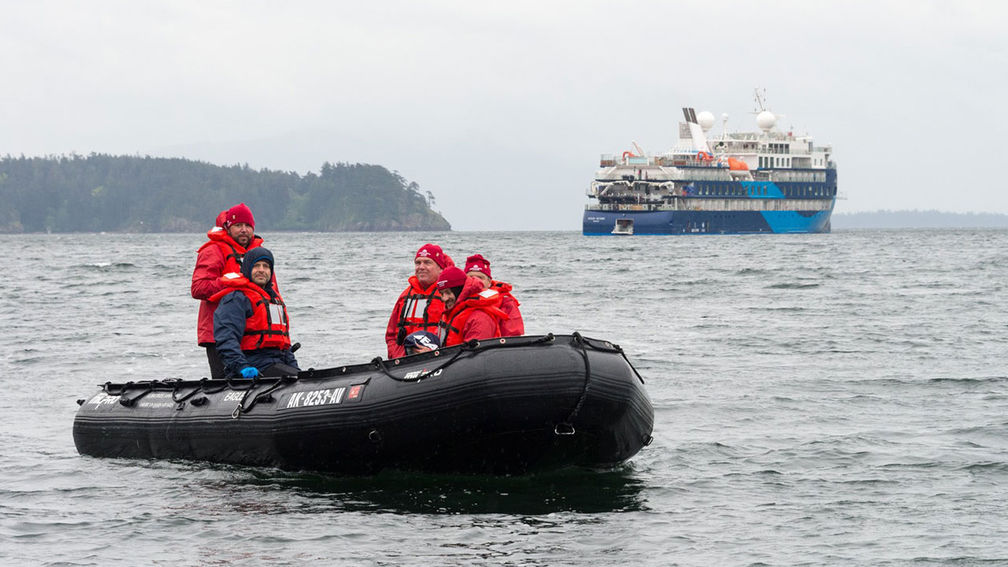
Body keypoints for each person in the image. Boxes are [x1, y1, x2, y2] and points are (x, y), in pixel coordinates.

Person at [191, 203, 267, 378]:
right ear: (228, 227)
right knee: (223, 385)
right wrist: (228, 283)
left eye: (248, 226)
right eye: (238, 225)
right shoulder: (213, 250)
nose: (243, 230)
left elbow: (271, 292)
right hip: (218, 334)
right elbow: (198, 288)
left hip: (252, 335)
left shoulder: (259, 254)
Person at [210, 247, 298, 378]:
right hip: (252, 365)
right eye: (256, 266)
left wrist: (294, 367)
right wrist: (242, 367)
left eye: (266, 266)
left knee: (302, 376)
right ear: (247, 269)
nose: (261, 270)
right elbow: (226, 338)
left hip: (276, 363)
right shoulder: (237, 298)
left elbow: (284, 345)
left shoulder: (273, 301)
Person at [385, 243, 450, 359]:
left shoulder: (448, 295)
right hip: (405, 360)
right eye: (418, 263)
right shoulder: (405, 296)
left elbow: (455, 333)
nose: (421, 267)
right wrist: (398, 356)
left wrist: (434, 352)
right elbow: (391, 335)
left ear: (440, 268)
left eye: (427, 262)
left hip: (437, 359)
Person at [437, 266, 507, 347]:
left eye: (448, 293)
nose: (444, 298)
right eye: (442, 293)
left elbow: (473, 356)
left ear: (460, 291)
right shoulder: (450, 314)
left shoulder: (480, 318)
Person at [464, 253, 524, 337]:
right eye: (470, 277)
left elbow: (513, 336)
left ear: (489, 282)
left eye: (480, 277)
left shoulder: (506, 303)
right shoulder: (454, 299)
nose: (475, 281)